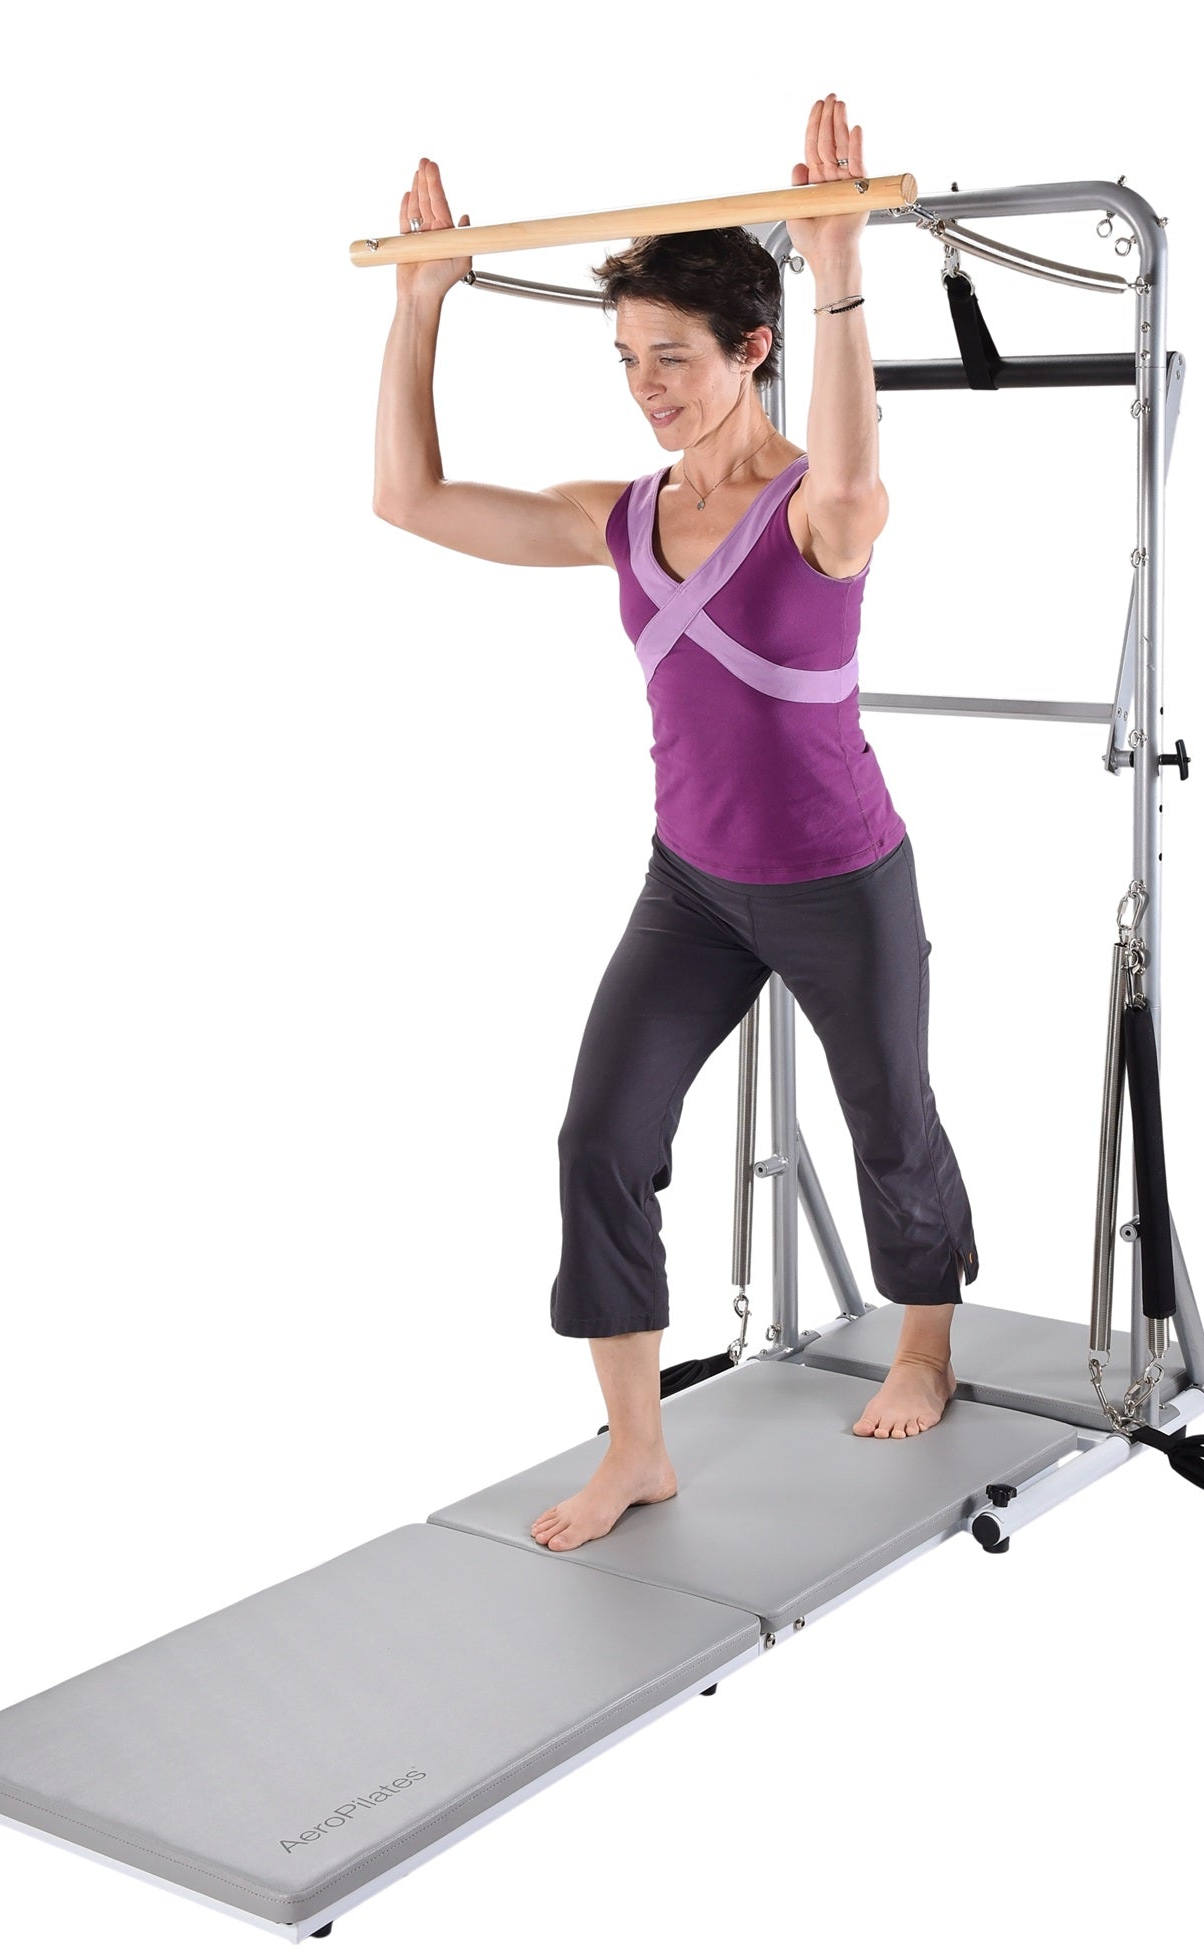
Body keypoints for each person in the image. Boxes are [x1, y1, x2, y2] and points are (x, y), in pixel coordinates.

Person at [372, 96, 979, 1553]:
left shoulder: (820, 515)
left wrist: (838, 266)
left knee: (889, 1119)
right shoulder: (622, 514)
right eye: (630, 359)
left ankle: (925, 1347)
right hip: (693, 888)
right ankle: (637, 1449)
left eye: (675, 359)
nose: (646, 387)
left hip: (842, 877)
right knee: (600, 1133)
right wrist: (421, 301)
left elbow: (846, 472)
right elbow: (408, 499)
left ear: (751, 350)